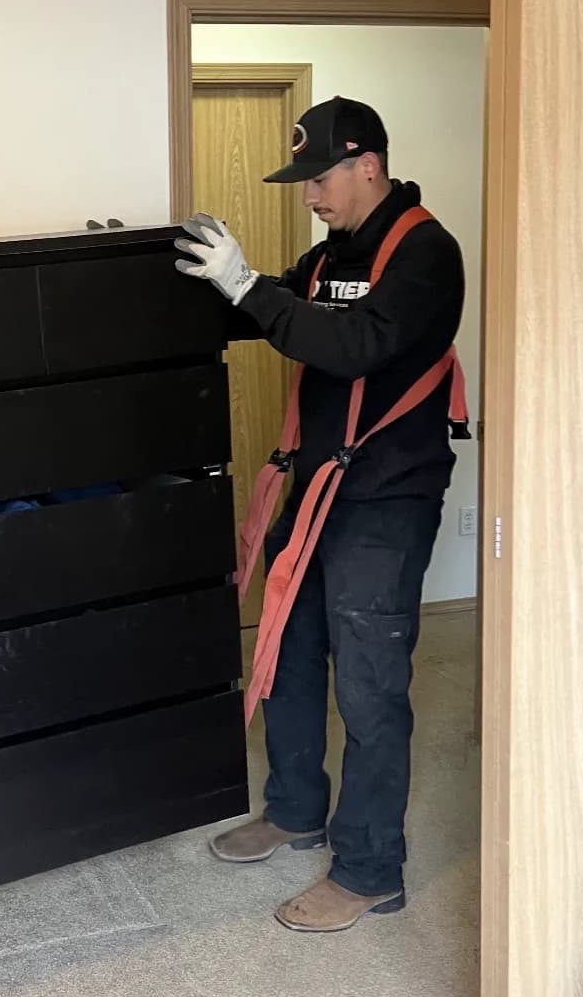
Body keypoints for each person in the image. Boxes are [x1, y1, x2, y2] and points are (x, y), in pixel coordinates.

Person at [176, 95, 465, 933]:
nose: (309, 194)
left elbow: (354, 344)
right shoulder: (329, 254)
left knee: (372, 686)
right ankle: (295, 810)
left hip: (387, 497)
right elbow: (274, 314)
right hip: (318, 486)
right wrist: (191, 277)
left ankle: (372, 869)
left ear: (366, 163)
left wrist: (248, 289)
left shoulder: (423, 253)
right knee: (290, 650)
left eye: (319, 177)